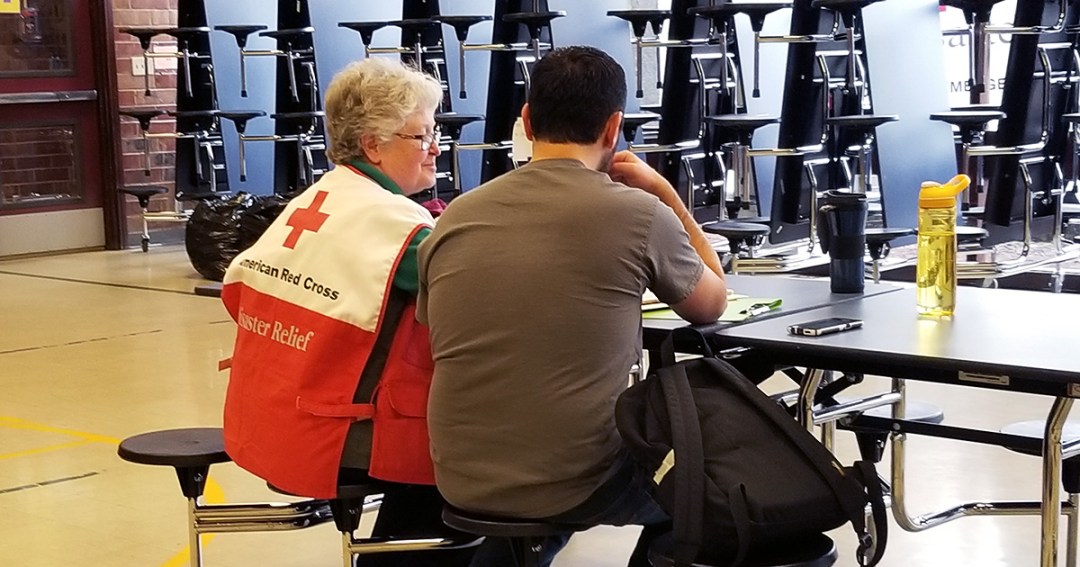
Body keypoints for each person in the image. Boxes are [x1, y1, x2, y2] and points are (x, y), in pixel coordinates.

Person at [417, 46, 728, 566]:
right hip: (575, 478)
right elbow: (711, 304)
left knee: (546, 449)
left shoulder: (455, 216)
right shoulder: (638, 212)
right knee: (708, 482)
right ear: (614, 128)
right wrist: (666, 194)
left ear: (527, 120)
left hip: (459, 471)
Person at [220, 57, 472, 566]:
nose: (436, 148)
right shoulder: (393, 226)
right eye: (421, 136)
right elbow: (479, 303)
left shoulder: (321, 198)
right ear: (373, 144)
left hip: (268, 418)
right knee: (487, 472)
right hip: (336, 435)